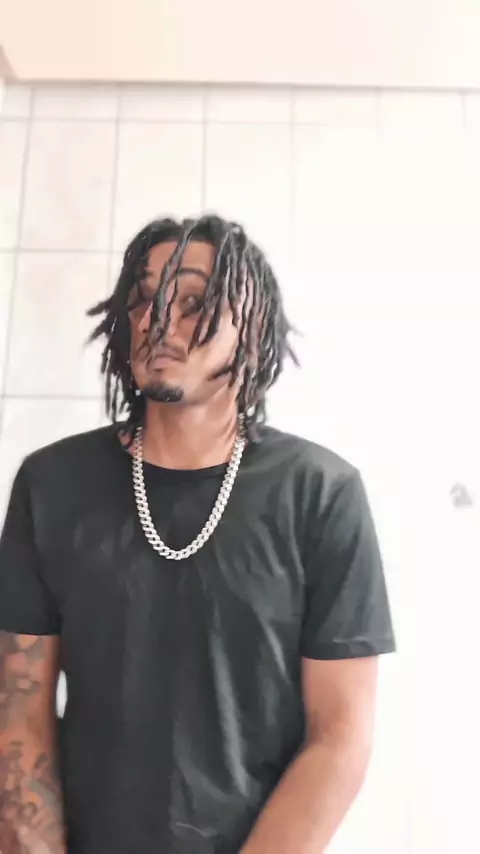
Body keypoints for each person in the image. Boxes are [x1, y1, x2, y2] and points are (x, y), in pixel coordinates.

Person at [0, 214, 395, 854]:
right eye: (143, 300)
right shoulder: (52, 484)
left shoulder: (322, 493)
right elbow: (19, 706)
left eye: (191, 302)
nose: (158, 320)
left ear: (253, 329)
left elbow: (340, 735)